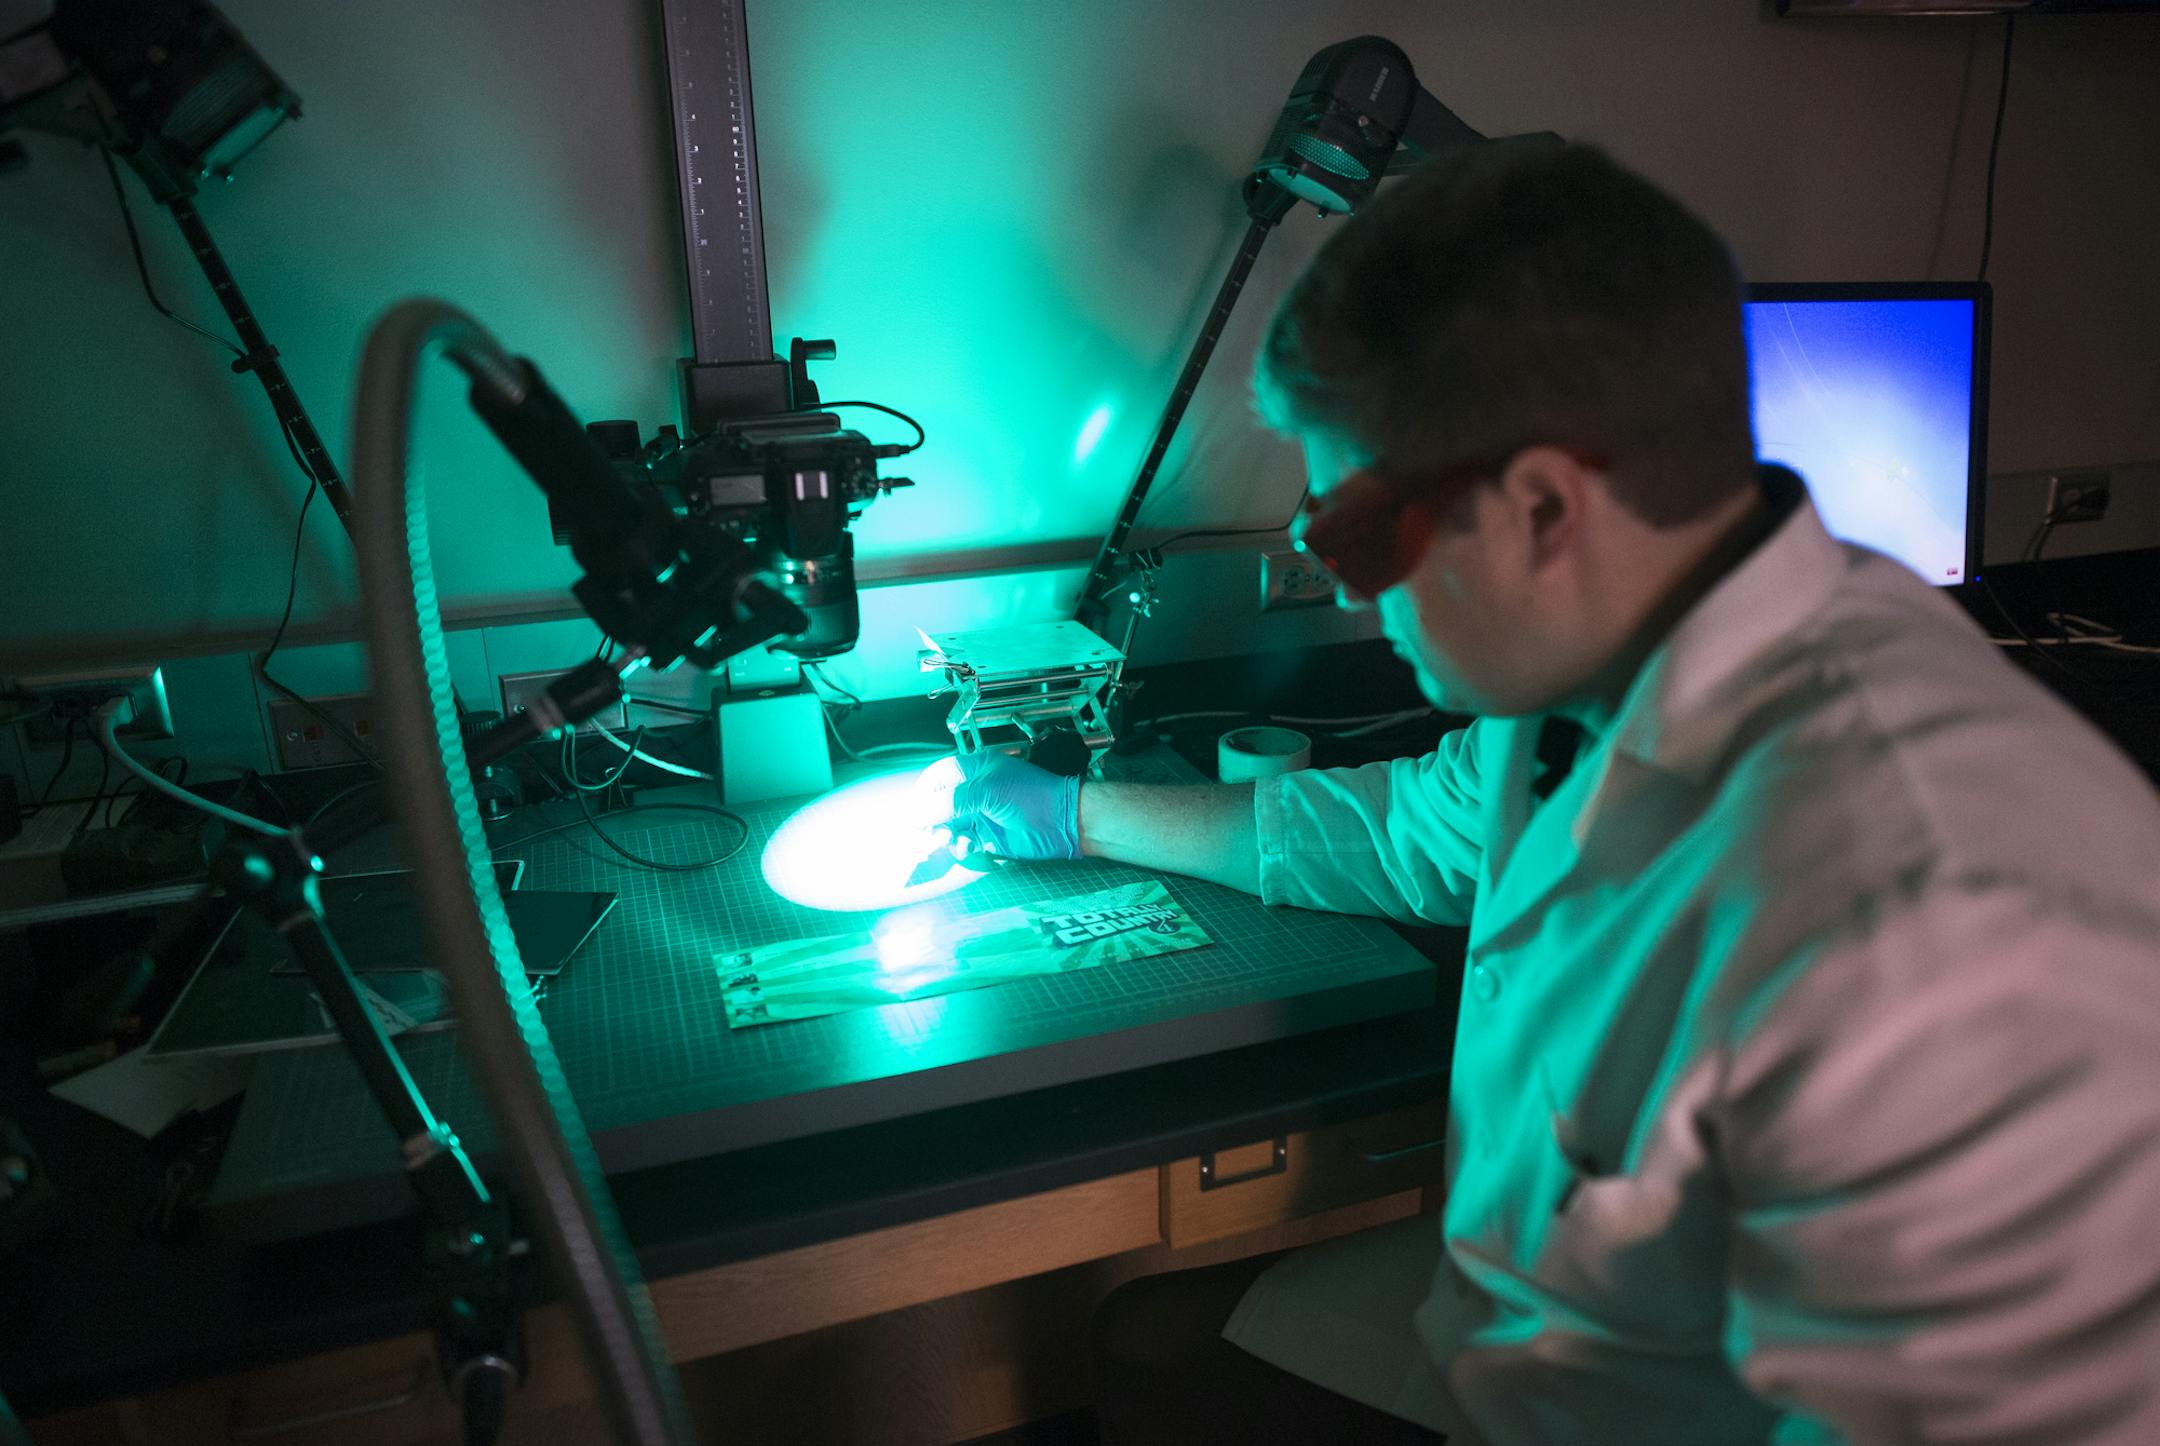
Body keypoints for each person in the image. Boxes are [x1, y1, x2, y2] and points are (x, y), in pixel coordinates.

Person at [943, 141, 2160, 1444]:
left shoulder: (1942, 912)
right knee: (1156, 1340)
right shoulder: (1596, 677)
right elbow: (1406, 831)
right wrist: (1074, 811)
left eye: (1356, 528)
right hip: (1553, 1329)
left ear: (1539, 509)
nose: (1344, 588)